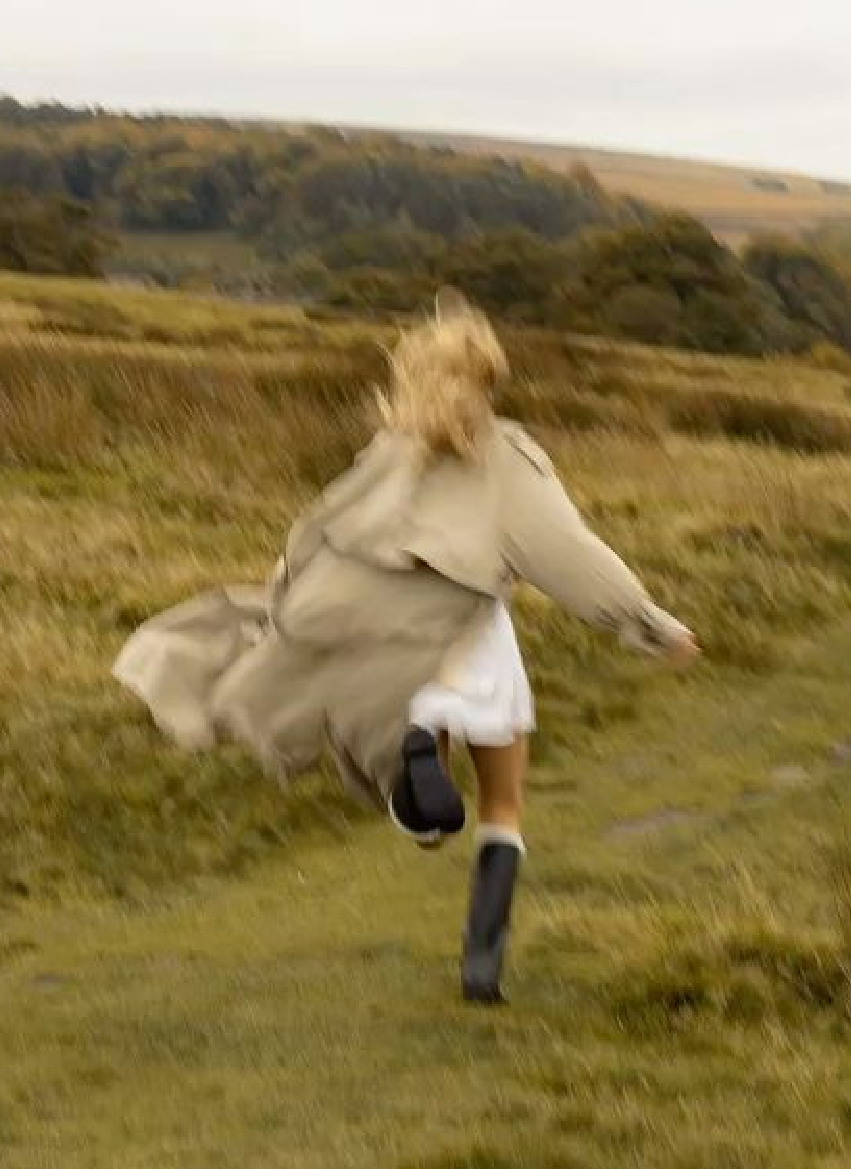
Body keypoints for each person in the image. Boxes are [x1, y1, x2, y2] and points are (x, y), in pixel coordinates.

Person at [112, 291, 699, 1004]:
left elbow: (319, 533)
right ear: (490, 380)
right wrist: (648, 624)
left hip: (377, 645)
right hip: (469, 636)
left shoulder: (385, 454)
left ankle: (416, 764)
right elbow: (570, 555)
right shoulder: (508, 457)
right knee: (504, 805)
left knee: (419, 793)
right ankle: (481, 967)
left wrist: (282, 607)